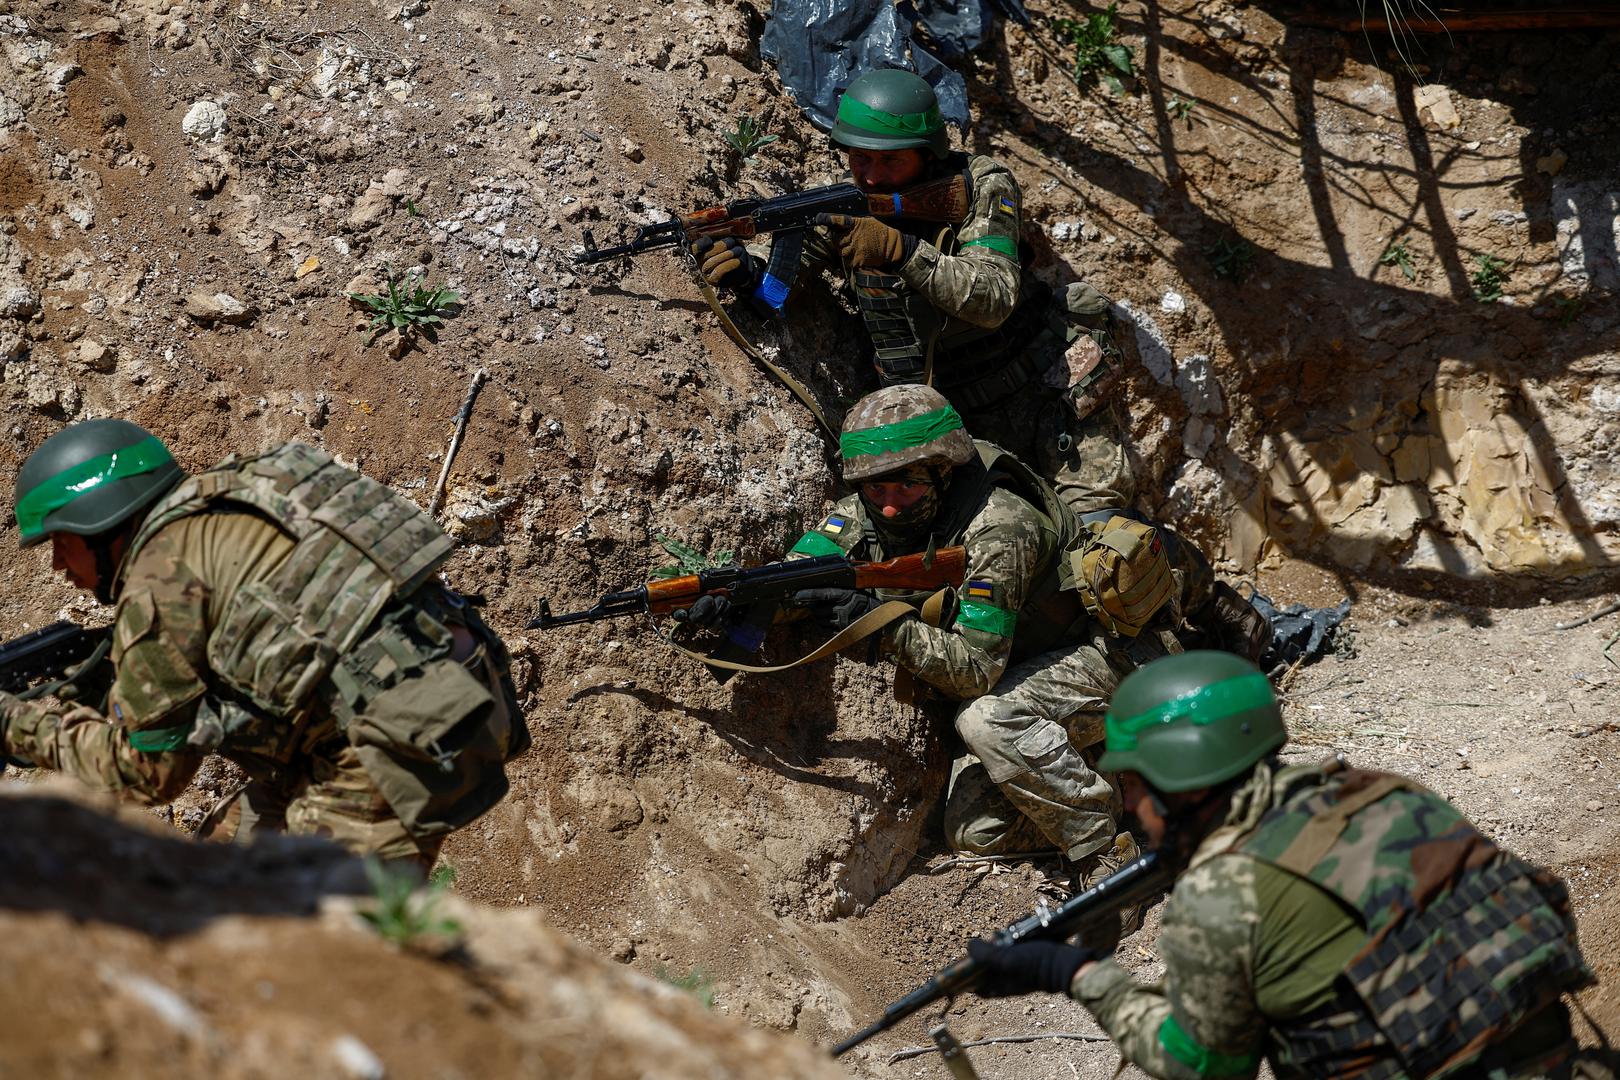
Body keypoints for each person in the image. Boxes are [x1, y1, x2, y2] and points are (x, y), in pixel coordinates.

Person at [967, 650, 1612, 1080]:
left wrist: (1075, 971)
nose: (1128, 801)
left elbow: (1205, 1067)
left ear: (1178, 777)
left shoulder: (1219, 895)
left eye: (1132, 781)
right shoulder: (1384, 793)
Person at [688, 384, 1203, 883]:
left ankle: (1106, 853)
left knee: (988, 719)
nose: (889, 507)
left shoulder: (1002, 525)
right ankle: (1117, 780)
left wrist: (879, 626)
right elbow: (804, 574)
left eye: (908, 488)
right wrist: (743, 601)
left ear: (944, 474)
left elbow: (977, 671)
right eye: (876, 489)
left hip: (1121, 661)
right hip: (1044, 667)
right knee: (971, 830)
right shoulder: (873, 507)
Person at [0, 419, 528, 868]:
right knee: (212, 878)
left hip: (401, 743)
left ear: (101, 520)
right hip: (456, 685)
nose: (58, 565)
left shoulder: (162, 581)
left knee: (308, 947)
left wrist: (16, 726)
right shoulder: (235, 494)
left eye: (61, 542)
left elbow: (146, 775)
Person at [693, 67, 1134, 516]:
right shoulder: (847, 210)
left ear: (928, 153)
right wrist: (745, 274)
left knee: (1104, 546)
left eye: (890, 160)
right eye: (860, 158)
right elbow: (785, 288)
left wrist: (900, 250)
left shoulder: (982, 185)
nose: (872, 176)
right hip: (955, 422)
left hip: (1044, 393)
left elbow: (994, 297)